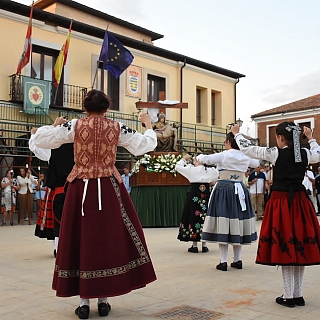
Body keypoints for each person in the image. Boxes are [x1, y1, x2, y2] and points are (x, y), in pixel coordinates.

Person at [32, 89, 157, 319]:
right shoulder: (117, 127)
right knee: (106, 240)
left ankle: (83, 303)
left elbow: (40, 139)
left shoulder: (74, 126)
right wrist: (148, 125)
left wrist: (55, 125)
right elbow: (144, 146)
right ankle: (103, 300)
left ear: (85, 108)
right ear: (107, 108)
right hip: (108, 189)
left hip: (80, 189)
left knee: (81, 239)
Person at [231, 122, 320, 308]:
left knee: (286, 245)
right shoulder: (303, 153)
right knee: (299, 246)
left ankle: (288, 295)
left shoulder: (275, 153)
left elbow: (249, 149)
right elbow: (318, 154)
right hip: (300, 202)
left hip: (282, 202)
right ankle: (298, 294)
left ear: (280, 138)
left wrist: (237, 134)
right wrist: (311, 138)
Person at [196, 132, 259, 271]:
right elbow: (257, 162)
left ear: (229, 142)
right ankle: (238, 260)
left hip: (224, 189)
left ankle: (223, 261)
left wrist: (198, 156)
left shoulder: (224, 154)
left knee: (223, 223)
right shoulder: (245, 156)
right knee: (238, 223)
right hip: (239, 190)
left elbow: (205, 158)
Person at [175, 153, 219, 253]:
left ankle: (194, 245)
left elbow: (177, 167)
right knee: (205, 217)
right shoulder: (211, 171)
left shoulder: (191, 169)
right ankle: (204, 245)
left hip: (194, 195)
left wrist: (184, 159)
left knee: (193, 217)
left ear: (197, 161)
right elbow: (217, 176)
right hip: (206, 195)